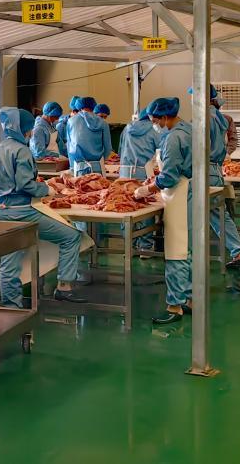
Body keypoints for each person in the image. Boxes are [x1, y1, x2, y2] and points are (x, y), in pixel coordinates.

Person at [0, 107, 87, 307]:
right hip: (24, 211)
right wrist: (46, 189)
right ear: (23, 128)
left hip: (4, 210)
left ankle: (11, 305)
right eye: (29, 128)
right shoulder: (22, 150)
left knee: (10, 260)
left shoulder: (1, 147)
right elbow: (25, 184)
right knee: (72, 236)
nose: (31, 132)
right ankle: (64, 287)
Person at [132, 97, 193, 325]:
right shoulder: (189, 129)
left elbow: (169, 176)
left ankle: (174, 305)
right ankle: (189, 299)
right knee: (188, 249)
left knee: (176, 250)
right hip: (191, 192)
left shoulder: (174, 138)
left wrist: (147, 189)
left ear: (165, 117)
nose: (154, 124)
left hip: (180, 193)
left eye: (155, 120)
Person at [207, 86, 240, 270]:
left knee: (209, 212)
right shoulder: (221, 119)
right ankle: (237, 252)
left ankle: (188, 256)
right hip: (216, 170)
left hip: (205, 171)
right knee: (218, 212)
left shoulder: (204, 118)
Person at [118, 106, 160, 253]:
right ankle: (145, 247)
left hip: (124, 172)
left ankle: (129, 245)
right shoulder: (154, 130)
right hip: (143, 172)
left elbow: (120, 150)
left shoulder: (127, 128)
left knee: (124, 206)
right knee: (145, 209)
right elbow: (161, 152)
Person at [66, 96, 112, 176]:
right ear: (93, 106)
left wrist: (72, 167)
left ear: (79, 106)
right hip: (98, 168)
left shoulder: (71, 121)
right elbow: (108, 148)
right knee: (98, 184)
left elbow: (70, 147)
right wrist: (101, 161)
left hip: (80, 168)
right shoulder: (103, 123)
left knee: (81, 184)